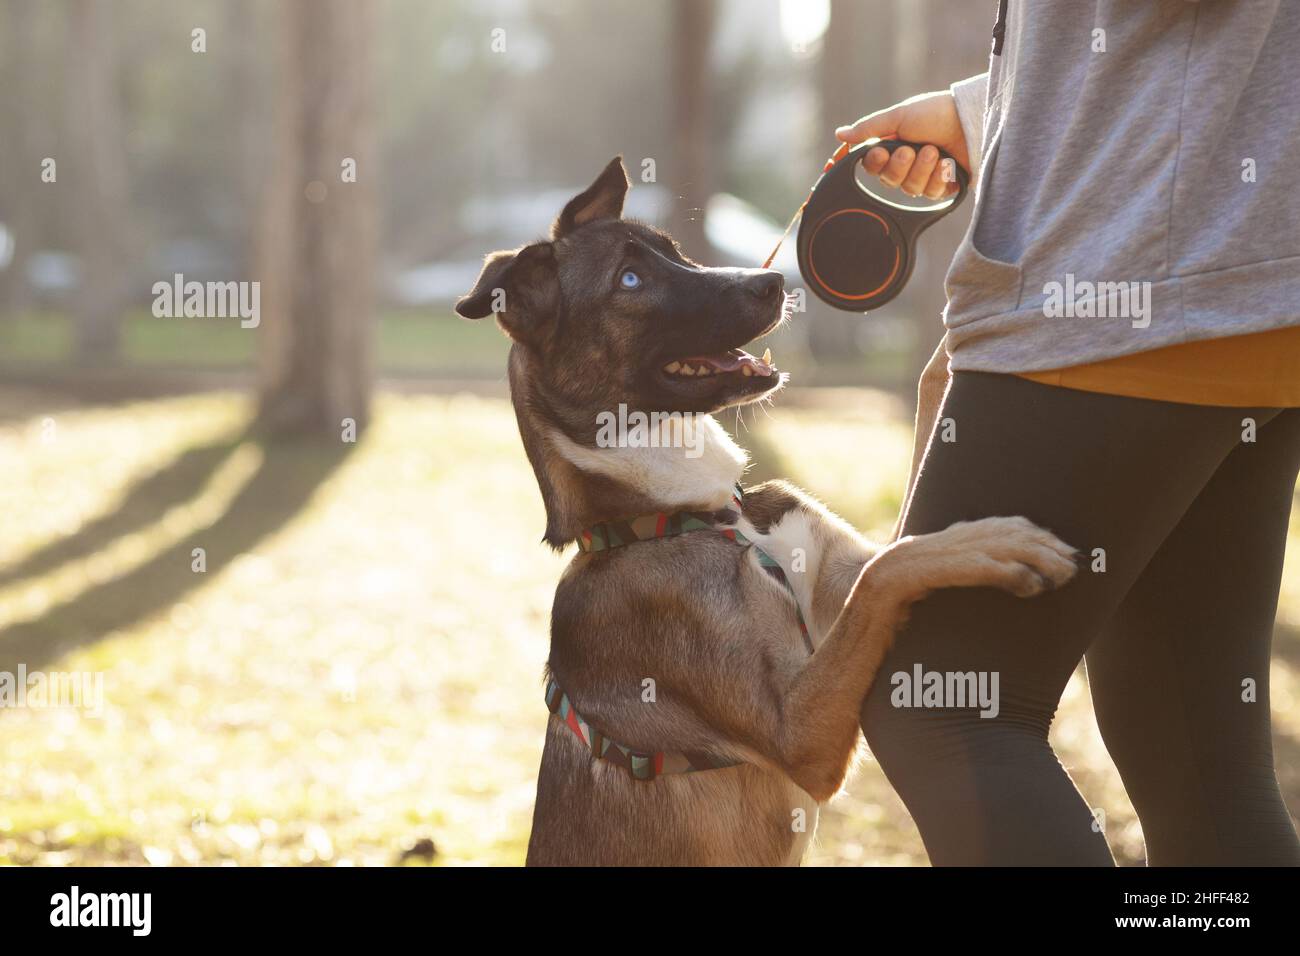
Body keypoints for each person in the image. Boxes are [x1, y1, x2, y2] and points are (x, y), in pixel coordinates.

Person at [836, 0, 1300, 865]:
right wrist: (999, 105)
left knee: (943, 703)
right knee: (1191, 749)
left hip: (1132, 280)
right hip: (1236, 280)